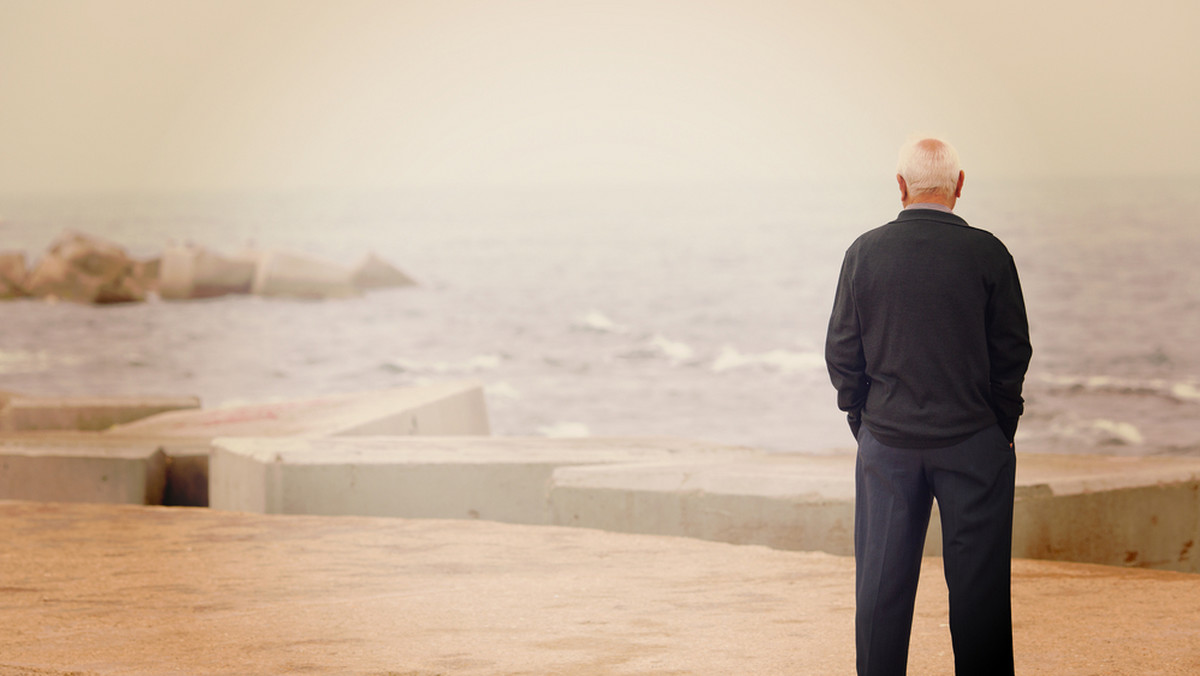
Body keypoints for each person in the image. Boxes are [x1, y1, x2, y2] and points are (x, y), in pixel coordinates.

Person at [824, 137, 1032, 676]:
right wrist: (999, 426)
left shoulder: (863, 252)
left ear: (900, 187)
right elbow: (1013, 350)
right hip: (974, 446)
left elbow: (843, 353)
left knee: (880, 596)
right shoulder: (989, 252)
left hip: (888, 445)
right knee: (979, 597)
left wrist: (864, 422)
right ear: (959, 186)